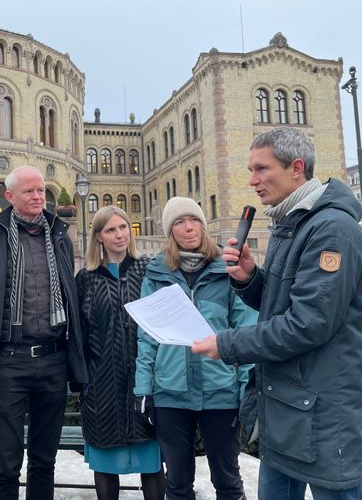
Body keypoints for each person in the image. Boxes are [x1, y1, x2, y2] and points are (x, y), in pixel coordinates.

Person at [192, 127, 362, 499]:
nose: (252, 181)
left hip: (323, 416)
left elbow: (307, 324)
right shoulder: (291, 223)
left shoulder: (332, 231)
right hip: (288, 408)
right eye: (250, 170)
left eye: (261, 169)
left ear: (296, 168)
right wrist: (250, 279)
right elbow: (286, 306)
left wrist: (227, 344)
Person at [0, 165, 88, 500]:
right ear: (10, 197)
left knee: (44, 460)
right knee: (5, 462)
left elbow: (68, 290)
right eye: (29, 191)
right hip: (9, 364)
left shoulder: (59, 237)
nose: (38, 197)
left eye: (40, 191)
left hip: (53, 361)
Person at [134, 196, 257, 500]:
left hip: (220, 391)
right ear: (170, 231)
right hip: (170, 392)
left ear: (203, 226)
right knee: (177, 483)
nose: (188, 228)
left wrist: (247, 387)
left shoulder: (227, 270)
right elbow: (148, 337)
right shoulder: (157, 274)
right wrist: (143, 389)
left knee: (227, 480)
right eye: (179, 222)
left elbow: (246, 333)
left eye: (194, 221)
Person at [75, 206, 165, 500]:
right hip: (102, 384)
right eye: (111, 229)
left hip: (144, 380)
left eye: (124, 227)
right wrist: (83, 380)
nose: (119, 235)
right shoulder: (86, 279)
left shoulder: (148, 270)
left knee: (151, 462)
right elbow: (79, 335)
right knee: (105, 462)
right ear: (98, 237)